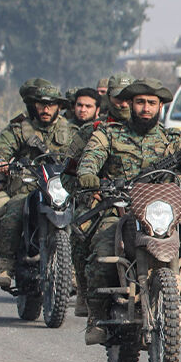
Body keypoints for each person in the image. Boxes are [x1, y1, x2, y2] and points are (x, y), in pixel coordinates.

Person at [75, 78, 181, 345]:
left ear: (160, 107)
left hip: (164, 212)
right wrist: (88, 176)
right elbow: (90, 160)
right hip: (121, 208)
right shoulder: (108, 135)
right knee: (101, 247)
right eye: (140, 102)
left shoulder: (172, 139)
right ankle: (95, 318)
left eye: (152, 103)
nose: (146, 108)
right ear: (130, 104)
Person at [0, 80, 78, 288]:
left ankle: (73, 271)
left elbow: (86, 156)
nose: (46, 109)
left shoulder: (71, 131)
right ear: (32, 105)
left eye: (51, 105)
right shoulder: (19, 129)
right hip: (27, 188)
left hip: (61, 189)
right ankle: (5, 264)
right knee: (13, 210)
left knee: (83, 215)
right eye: (41, 104)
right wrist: (0, 164)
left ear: (59, 107)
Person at [66, 73, 134, 316]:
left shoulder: (153, 132)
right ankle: (86, 293)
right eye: (118, 99)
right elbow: (68, 172)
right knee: (81, 233)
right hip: (101, 203)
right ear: (109, 100)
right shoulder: (91, 131)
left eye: (129, 99)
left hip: (142, 204)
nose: (124, 104)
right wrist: (89, 190)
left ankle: (177, 306)